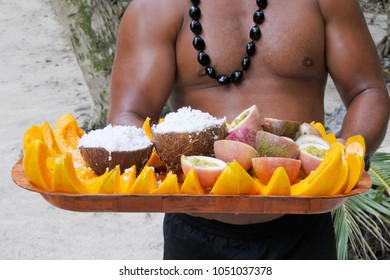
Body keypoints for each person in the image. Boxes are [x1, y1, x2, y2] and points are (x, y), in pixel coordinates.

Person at [108, 0, 390, 259]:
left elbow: (367, 91)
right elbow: (127, 116)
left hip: (305, 226)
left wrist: (348, 151)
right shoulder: (157, 7)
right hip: (195, 231)